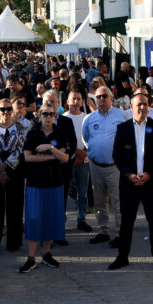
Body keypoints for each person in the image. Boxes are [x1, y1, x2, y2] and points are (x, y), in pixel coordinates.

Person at [108, 92, 153, 270]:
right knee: (127, 222)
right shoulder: (123, 129)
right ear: (131, 107)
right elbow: (117, 155)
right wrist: (129, 175)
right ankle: (122, 257)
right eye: (139, 105)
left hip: (151, 183)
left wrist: (149, 174)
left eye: (145, 104)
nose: (142, 107)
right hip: (129, 183)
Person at [19, 103, 70, 273]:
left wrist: (50, 148)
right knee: (34, 219)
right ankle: (31, 258)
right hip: (35, 182)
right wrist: (50, 157)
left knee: (50, 218)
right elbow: (27, 158)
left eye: (51, 114)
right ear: (39, 115)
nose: (48, 117)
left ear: (55, 115)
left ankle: (47, 254)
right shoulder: (33, 133)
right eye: (45, 114)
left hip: (54, 182)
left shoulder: (60, 133)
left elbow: (64, 158)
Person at [82, 86, 126, 246]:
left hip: (115, 167)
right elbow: (86, 139)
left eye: (104, 96)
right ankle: (103, 231)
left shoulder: (122, 116)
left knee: (118, 201)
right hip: (95, 166)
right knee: (99, 202)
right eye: (98, 97)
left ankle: (121, 234)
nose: (101, 100)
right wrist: (97, 149)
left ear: (111, 98)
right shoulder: (89, 119)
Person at [0, 99, 27, 252]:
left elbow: (20, 148)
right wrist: (0, 169)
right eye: (2, 109)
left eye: (9, 109)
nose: (6, 112)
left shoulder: (19, 127)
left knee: (15, 207)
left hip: (14, 170)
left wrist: (7, 167)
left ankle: (14, 243)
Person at [40, 89, 77, 245]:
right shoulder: (36, 122)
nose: (50, 105)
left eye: (53, 102)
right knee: (44, 204)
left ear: (58, 105)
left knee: (60, 203)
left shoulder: (66, 122)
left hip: (61, 170)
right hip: (42, 171)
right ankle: (43, 235)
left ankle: (58, 234)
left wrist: (64, 155)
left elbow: (73, 143)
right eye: (47, 102)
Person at [63, 90, 92, 232]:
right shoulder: (63, 118)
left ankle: (82, 219)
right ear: (67, 101)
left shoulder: (87, 118)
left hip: (84, 161)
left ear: (82, 101)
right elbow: (65, 141)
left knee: (83, 193)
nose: (75, 102)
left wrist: (83, 155)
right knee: (64, 193)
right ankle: (61, 221)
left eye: (78, 99)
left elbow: (91, 139)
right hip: (68, 161)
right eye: (73, 99)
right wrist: (76, 154)